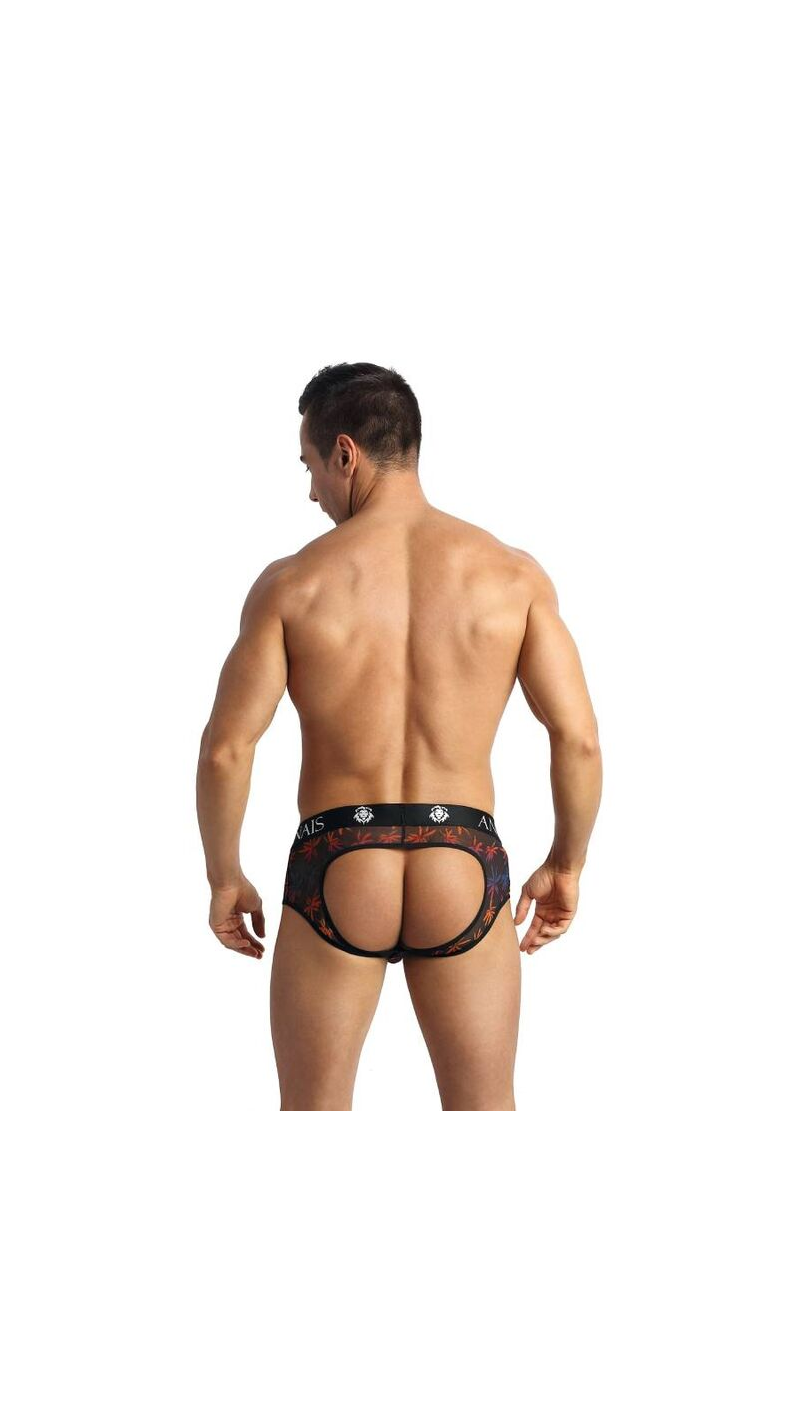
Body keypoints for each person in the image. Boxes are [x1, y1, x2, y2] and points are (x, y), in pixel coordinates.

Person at [196, 363, 602, 1111]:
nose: (311, 491)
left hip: (339, 858)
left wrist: (225, 877)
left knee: (312, 1119)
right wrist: (565, 864)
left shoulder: (293, 584)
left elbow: (228, 748)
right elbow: (576, 738)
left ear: (345, 453)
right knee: (485, 1114)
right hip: (463, 860)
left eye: (309, 466)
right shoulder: (512, 577)